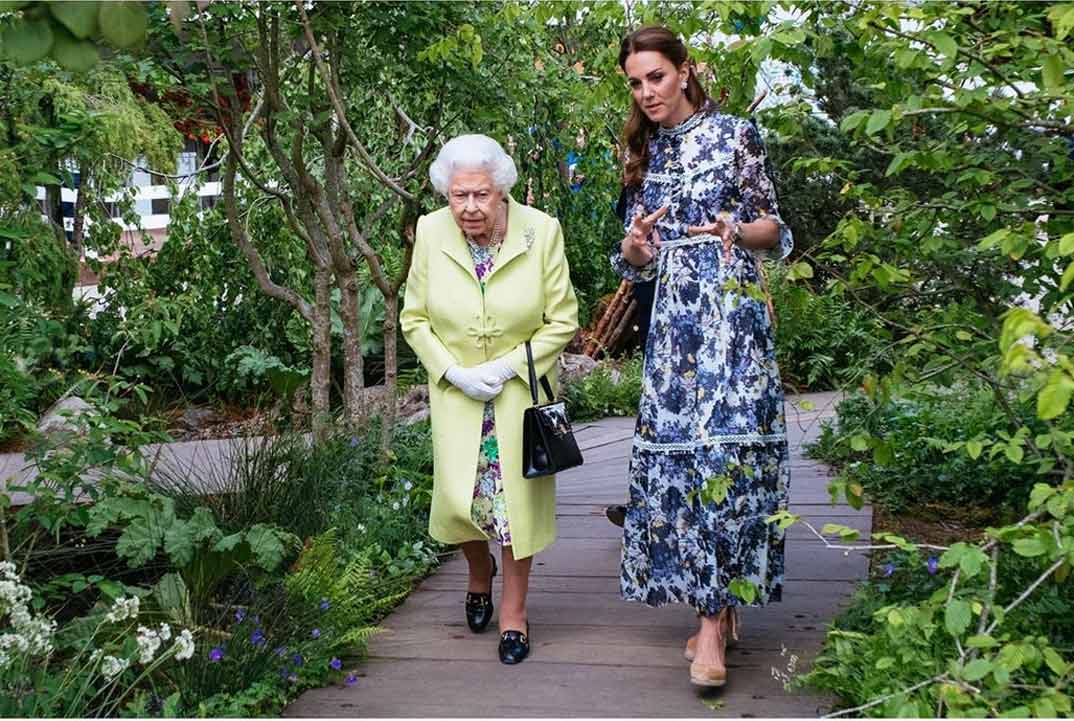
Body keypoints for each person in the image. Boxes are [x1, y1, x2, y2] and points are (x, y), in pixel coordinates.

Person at [610, 27, 794, 687]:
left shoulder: (738, 134)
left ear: (685, 72)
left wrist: (735, 230)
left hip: (733, 320)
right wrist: (637, 245)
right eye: (636, 82)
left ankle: (714, 623)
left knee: (728, 455)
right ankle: (713, 606)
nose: (646, 91)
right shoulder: (641, 150)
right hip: (673, 332)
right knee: (684, 461)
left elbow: (773, 228)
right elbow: (631, 262)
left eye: (656, 76)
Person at [400, 134, 579, 665]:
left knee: (513, 509)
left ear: (501, 190)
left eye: (480, 195)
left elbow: (562, 320)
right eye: (459, 196)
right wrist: (452, 370)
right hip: (458, 396)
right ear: (446, 195)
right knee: (461, 504)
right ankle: (479, 572)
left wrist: (507, 366)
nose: (469, 208)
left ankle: (514, 614)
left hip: (519, 394)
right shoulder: (432, 232)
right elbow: (414, 317)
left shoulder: (540, 232)